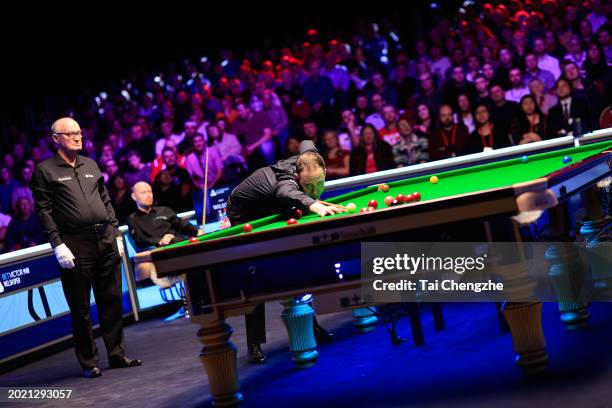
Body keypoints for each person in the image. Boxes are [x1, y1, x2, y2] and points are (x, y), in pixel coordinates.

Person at [30, 117, 142, 378]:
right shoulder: (45, 170)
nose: (78, 137)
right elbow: (44, 212)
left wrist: (115, 233)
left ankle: (117, 355)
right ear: (56, 138)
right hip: (74, 244)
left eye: (79, 132)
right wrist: (57, 244)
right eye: (70, 134)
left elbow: (105, 200)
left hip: (104, 238)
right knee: (80, 307)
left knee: (112, 301)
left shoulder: (90, 164)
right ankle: (89, 362)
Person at [226, 140, 341, 364]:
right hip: (246, 214)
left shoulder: (310, 156)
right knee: (255, 273)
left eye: (319, 184)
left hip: (274, 205)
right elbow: (284, 191)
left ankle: (312, 326)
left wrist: (309, 198)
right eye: (309, 186)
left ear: (324, 168)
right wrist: (314, 204)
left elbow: (307, 142)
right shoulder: (287, 182)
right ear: (298, 177)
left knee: (295, 265)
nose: (315, 191)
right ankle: (254, 344)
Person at [128, 182, 201, 287]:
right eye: (144, 192)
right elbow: (139, 241)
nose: (148, 195)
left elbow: (183, 225)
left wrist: (198, 230)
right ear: (134, 196)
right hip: (160, 252)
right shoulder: (133, 219)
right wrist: (159, 241)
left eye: (150, 191)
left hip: (179, 245)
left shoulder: (165, 210)